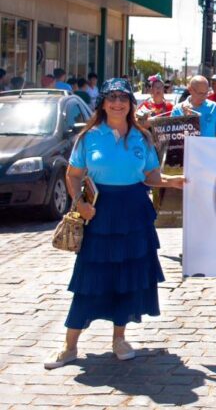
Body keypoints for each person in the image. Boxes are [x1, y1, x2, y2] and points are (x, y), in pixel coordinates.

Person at [44, 78, 184, 370]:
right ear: (103, 102)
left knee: (127, 277)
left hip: (135, 213)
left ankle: (119, 339)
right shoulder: (88, 137)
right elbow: (73, 175)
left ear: (131, 103)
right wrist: (79, 204)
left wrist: (175, 181)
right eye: (112, 98)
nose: (117, 103)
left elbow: (151, 177)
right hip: (100, 214)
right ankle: (70, 346)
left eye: (123, 98)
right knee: (88, 278)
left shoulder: (142, 138)